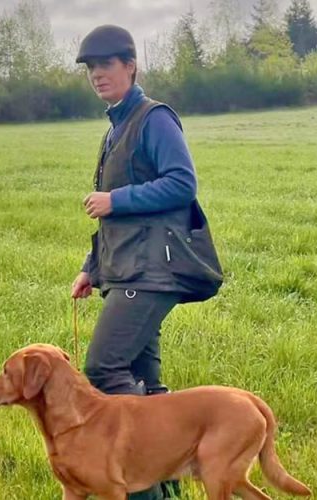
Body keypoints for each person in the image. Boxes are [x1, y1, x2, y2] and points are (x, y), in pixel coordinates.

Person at [70, 24, 224, 500]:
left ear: (131, 65)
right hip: (125, 268)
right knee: (143, 381)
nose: (98, 75)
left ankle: (141, 486)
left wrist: (116, 198)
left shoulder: (154, 118)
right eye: (91, 68)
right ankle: (167, 482)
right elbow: (112, 220)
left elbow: (182, 183)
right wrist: (90, 268)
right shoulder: (115, 126)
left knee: (103, 368)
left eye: (107, 65)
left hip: (152, 271)